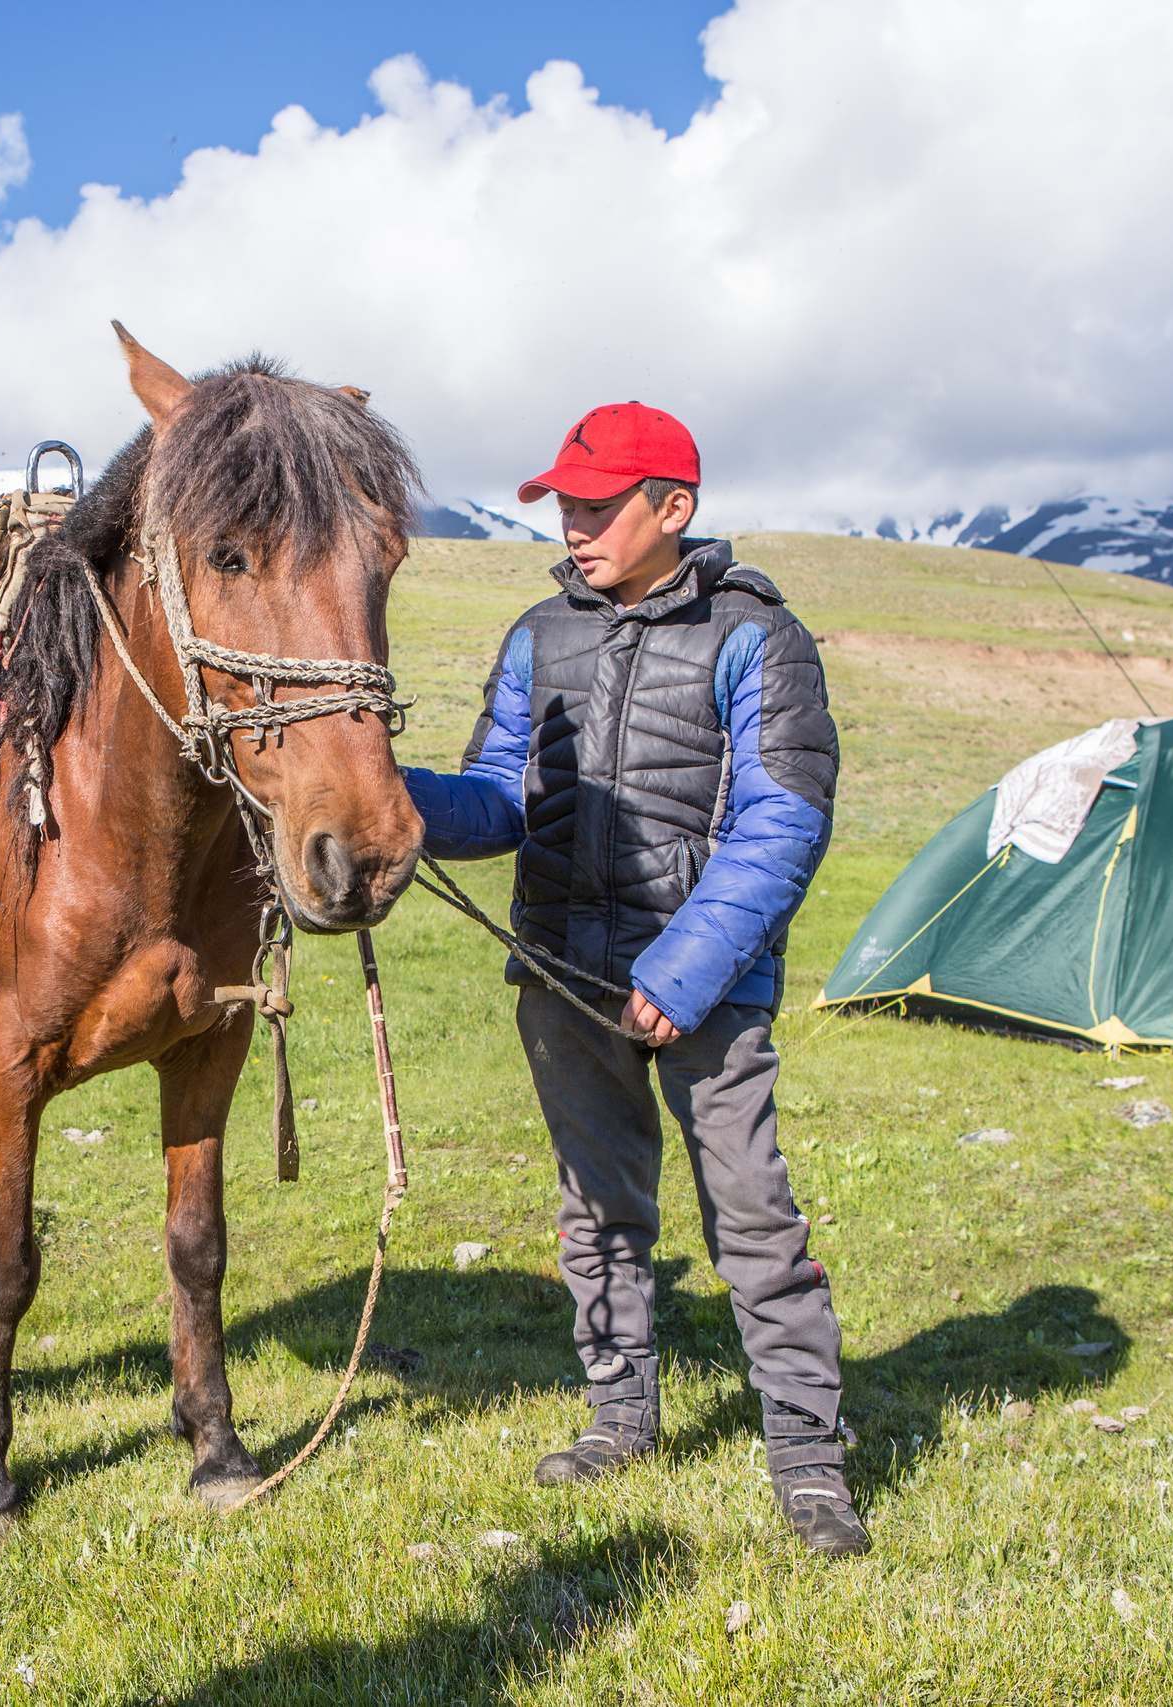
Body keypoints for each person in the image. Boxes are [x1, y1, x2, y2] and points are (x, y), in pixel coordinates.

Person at [401, 402, 866, 1557]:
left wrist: (684, 972)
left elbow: (783, 821)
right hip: (558, 976)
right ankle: (620, 1415)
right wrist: (383, 794)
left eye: (599, 503)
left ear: (674, 507)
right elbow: (499, 795)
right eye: (564, 502)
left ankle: (808, 1461)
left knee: (751, 1220)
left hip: (703, 994)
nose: (575, 523)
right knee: (597, 1214)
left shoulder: (760, 637)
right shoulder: (533, 637)